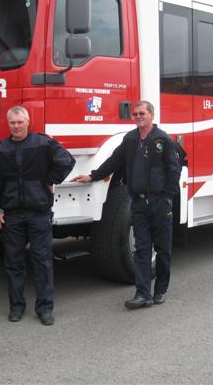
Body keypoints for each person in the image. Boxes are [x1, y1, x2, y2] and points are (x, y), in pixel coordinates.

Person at [73, 100, 180, 309]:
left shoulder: (163, 139)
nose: (138, 117)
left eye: (142, 113)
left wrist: (168, 197)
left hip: (160, 203)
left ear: (152, 115)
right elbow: (114, 161)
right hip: (138, 204)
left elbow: (174, 170)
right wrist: (93, 176)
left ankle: (160, 290)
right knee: (141, 250)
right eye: (135, 114)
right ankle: (142, 294)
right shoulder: (130, 139)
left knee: (163, 250)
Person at [0, 106, 75, 325]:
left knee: (42, 262)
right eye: (12, 123)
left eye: (20, 122)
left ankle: (45, 309)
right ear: (8, 124)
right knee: (14, 263)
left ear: (28, 122)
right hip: (12, 215)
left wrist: (50, 180)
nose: (16, 126)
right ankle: (16, 307)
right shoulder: (2, 149)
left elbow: (67, 161)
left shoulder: (43, 143)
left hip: (39, 213)